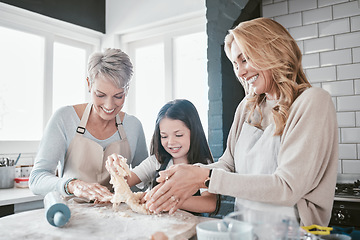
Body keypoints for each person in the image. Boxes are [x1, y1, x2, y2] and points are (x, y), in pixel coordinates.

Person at [144, 18, 338, 227]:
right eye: (235, 64)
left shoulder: (313, 101)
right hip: (246, 230)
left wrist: (204, 176)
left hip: (295, 233)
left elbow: (287, 188)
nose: (240, 72)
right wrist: (187, 175)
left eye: (244, 59)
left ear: (272, 50)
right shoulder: (247, 107)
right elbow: (228, 165)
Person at [29, 48, 148, 202]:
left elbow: (146, 181)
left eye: (118, 96)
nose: (109, 105)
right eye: (100, 95)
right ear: (89, 84)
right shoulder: (64, 119)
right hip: (72, 218)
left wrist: (125, 175)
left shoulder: (133, 126)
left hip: (121, 218)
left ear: (127, 89)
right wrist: (72, 185)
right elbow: (37, 179)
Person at [106, 99, 219, 215]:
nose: (171, 142)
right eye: (164, 136)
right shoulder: (156, 162)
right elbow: (126, 181)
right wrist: (117, 167)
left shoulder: (204, 165)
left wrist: (167, 199)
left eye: (178, 135)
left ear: (194, 132)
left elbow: (210, 204)